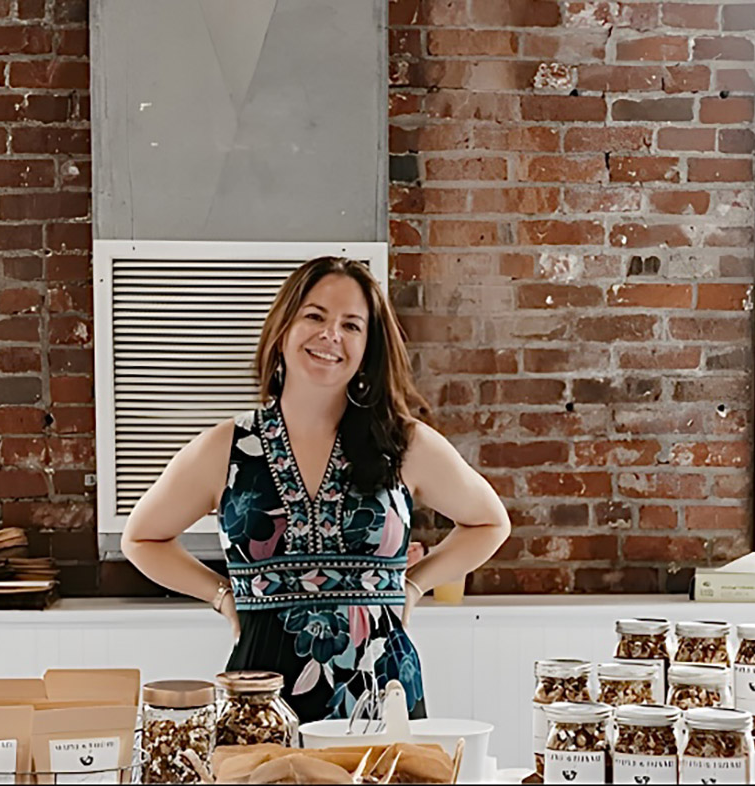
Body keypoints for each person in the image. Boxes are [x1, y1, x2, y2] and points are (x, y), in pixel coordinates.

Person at [122, 256, 511, 723]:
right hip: (261, 697)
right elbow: (141, 538)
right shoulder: (227, 447)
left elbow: (489, 523)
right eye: (315, 316)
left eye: (351, 325)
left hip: (378, 691)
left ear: (368, 348)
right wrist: (223, 597)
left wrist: (413, 585)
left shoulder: (403, 443)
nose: (331, 335)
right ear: (283, 328)